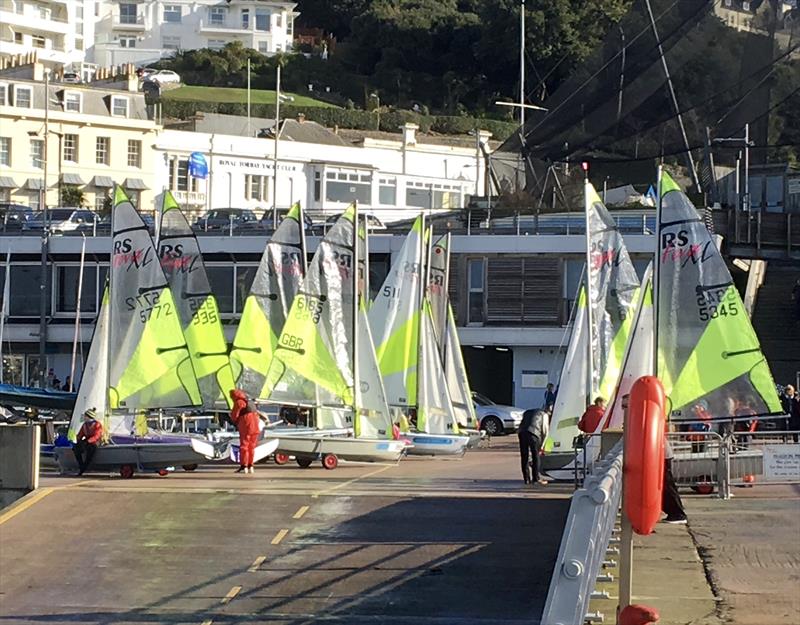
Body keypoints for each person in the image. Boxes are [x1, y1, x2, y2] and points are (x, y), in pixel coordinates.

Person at [517, 405, 550, 485]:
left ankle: (526, 479)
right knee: (536, 456)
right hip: (534, 434)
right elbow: (545, 430)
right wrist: (543, 445)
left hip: (522, 433)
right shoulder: (544, 415)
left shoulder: (527, 412)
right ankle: (536, 479)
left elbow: (522, 424)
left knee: (524, 456)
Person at [230, 389, 260, 474]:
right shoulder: (250, 401)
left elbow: (234, 415)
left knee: (244, 446)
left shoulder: (239, 402)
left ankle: (244, 466)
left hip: (246, 425)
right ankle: (251, 465)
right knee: (252, 446)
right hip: (255, 425)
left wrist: (234, 421)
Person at [662, 433, 688, 524]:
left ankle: (677, 513)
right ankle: (675, 512)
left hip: (662, 455)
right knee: (666, 486)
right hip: (663, 454)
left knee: (667, 486)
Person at [73, 408, 103, 476]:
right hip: (87, 440)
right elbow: (80, 434)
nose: (84, 417)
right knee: (76, 448)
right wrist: (77, 440)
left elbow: (97, 435)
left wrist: (88, 441)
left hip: (95, 441)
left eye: (85, 416)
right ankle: (81, 465)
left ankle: (85, 466)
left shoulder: (97, 424)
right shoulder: (84, 425)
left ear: (89, 416)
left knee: (91, 450)